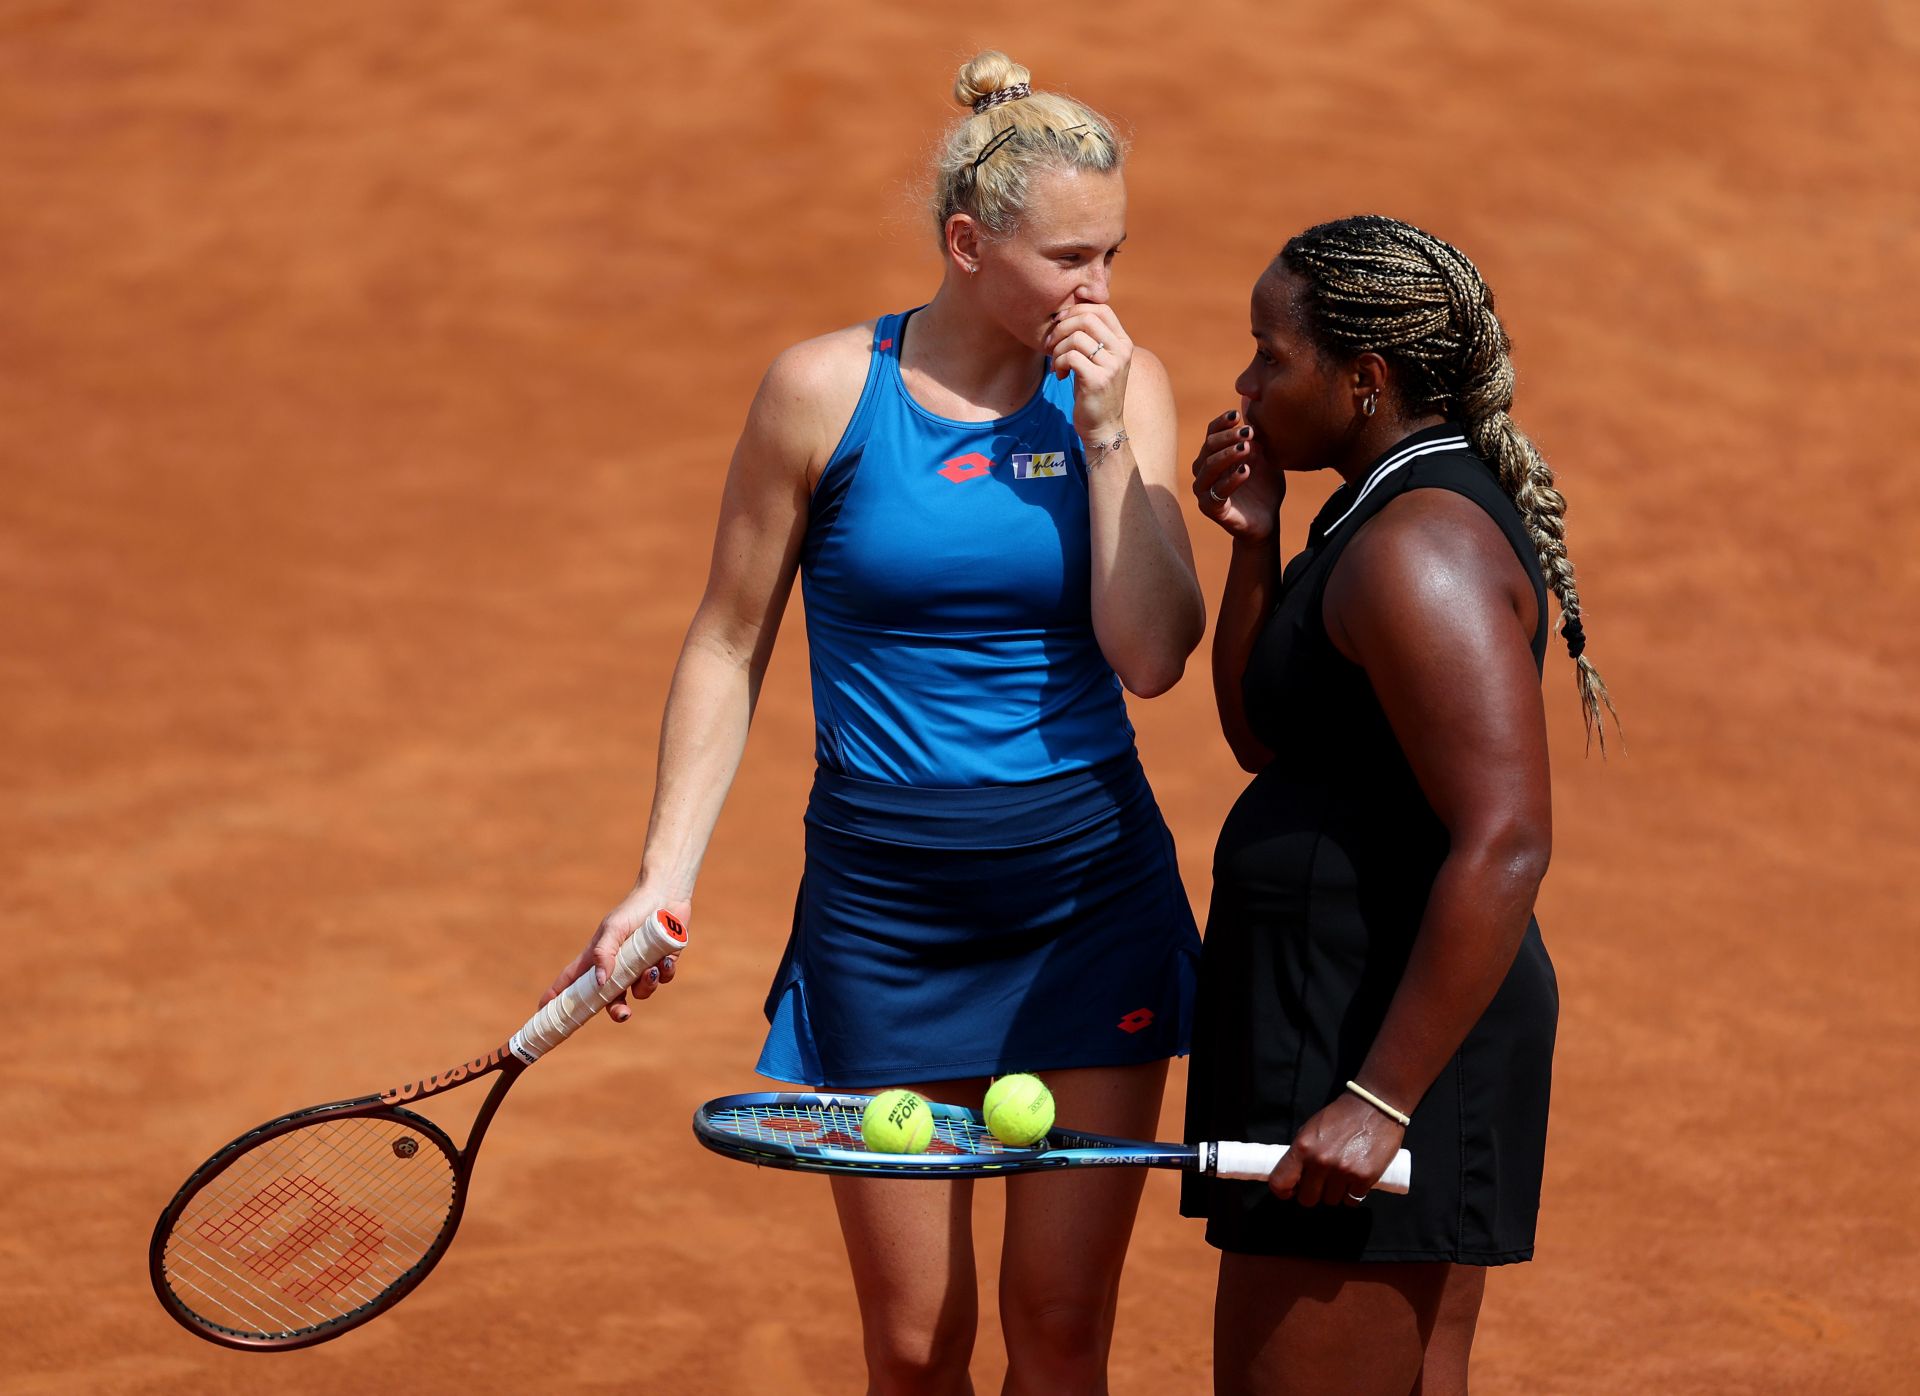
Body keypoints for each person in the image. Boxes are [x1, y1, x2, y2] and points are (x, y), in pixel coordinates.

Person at [543, 51, 1205, 1396]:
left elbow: (1151, 660)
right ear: (969, 245)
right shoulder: (822, 391)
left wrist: (1104, 444)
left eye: (1114, 255)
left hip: (1087, 899)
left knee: (1063, 1336)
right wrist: (664, 870)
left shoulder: (1125, 391)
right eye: (1069, 259)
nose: (1100, 294)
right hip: (884, 910)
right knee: (912, 1350)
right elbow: (730, 637)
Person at [1181, 215, 1618, 1396]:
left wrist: (1378, 1099)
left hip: (1373, 1042)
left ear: (1363, 379)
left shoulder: (1417, 547)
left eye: (1272, 354)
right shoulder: (1370, 514)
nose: (1245, 381)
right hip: (1351, 1025)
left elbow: (1508, 837)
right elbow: (1265, 737)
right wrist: (1253, 543)